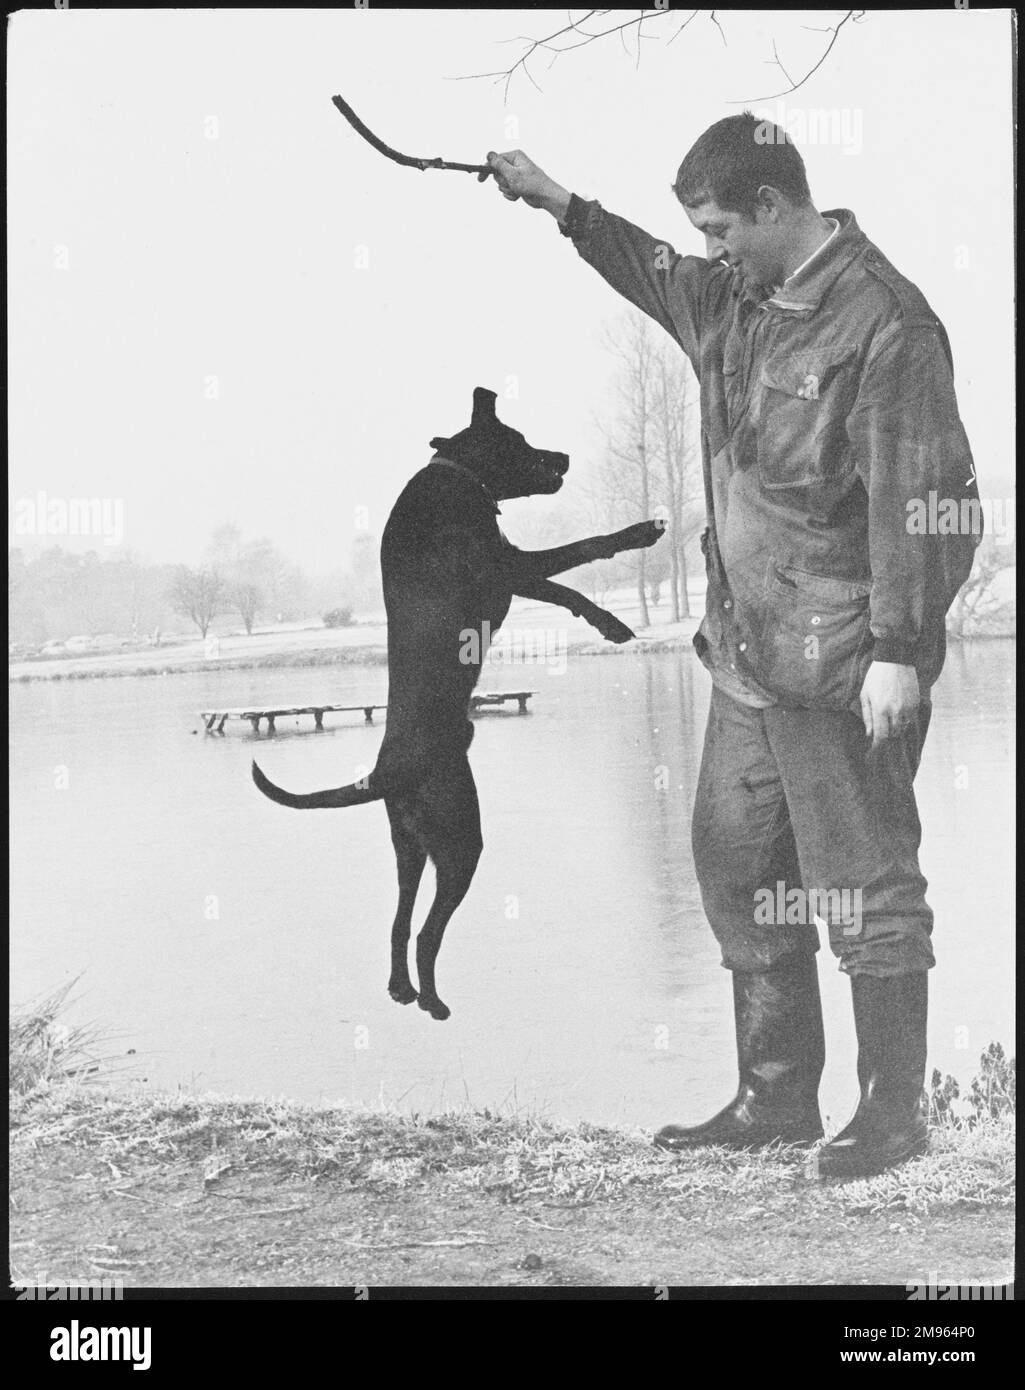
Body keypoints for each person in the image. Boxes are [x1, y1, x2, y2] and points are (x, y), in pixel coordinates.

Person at [485, 114, 982, 1178]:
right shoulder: (731, 298)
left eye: (719, 227)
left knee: (863, 885)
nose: (707, 250)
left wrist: (899, 647)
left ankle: (891, 1116)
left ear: (771, 205)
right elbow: (646, 267)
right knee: (734, 866)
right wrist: (557, 202)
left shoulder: (883, 324)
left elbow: (929, 502)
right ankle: (774, 1097)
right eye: (699, 234)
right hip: (745, 660)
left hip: (844, 664)